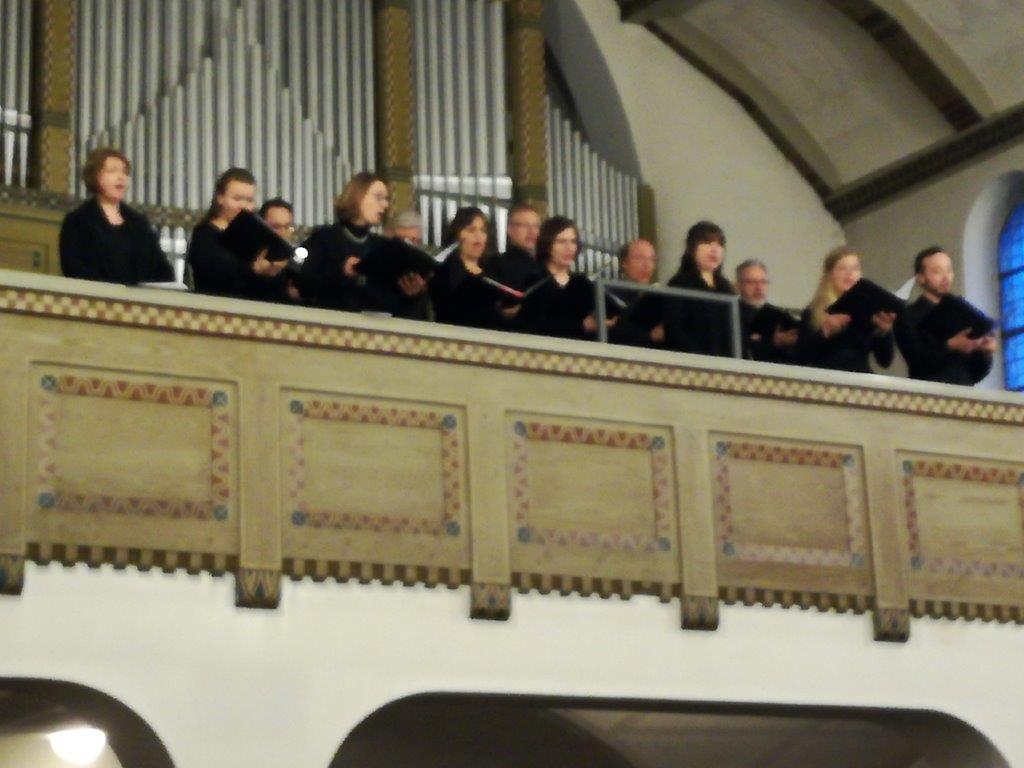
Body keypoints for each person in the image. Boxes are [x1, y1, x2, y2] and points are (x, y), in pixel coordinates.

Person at [297, 172, 429, 319]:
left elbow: (391, 302)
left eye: (386, 199)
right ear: (357, 196)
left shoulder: (383, 245)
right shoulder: (324, 238)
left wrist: (411, 293)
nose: (385, 205)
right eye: (378, 197)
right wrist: (342, 272)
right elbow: (303, 285)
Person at [59, 147, 173, 285]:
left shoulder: (139, 223)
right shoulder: (77, 221)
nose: (121, 177)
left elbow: (162, 270)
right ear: (94, 176)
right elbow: (73, 268)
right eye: (112, 171)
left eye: (125, 172)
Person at [187, 168, 292, 302]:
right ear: (220, 198)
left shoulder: (256, 236)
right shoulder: (204, 234)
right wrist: (255, 271)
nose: (243, 206)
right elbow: (216, 275)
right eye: (237, 199)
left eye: (249, 200)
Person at [895, 246, 995, 385]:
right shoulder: (908, 315)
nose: (945, 277)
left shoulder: (962, 310)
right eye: (937, 271)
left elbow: (976, 373)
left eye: (949, 270)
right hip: (928, 390)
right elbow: (917, 361)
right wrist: (950, 345)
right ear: (920, 278)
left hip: (964, 390)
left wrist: (985, 352)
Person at [797, 246, 895, 373]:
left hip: (860, 379)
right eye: (843, 268)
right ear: (830, 274)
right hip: (825, 378)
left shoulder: (869, 311)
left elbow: (885, 361)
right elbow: (801, 357)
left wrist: (884, 331)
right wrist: (825, 331)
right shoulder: (813, 312)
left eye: (855, 268)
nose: (849, 273)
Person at [663, 221, 737, 357]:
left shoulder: (726, 289)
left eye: (719, 244)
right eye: (707, 243)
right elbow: (675, 330)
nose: (714, 249)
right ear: (692, 248)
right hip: (691, 360)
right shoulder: (680, 283)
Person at [515, 216, 595, 340]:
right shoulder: (534, 281)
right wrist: (581, 326)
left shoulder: (583, 283)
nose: (569, 248)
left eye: (573, 241)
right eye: (561, 242)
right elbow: (532, 325)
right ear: (547, 244)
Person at [429, 207, 502, 329]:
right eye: (471, 230)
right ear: (457, 235)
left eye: (483, 230)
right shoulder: (444, 270)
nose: (479, 236)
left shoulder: (494, 269)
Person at [735, 259, 798, 364]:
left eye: (763, 282)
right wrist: (773, 342)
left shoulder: (780, 315)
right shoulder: (731, 314)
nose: (759, 288)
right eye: (751, 282)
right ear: (738, 285)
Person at [607, 238, 665, 348]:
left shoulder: (658, 296)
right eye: (640, 258)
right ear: (624, 263)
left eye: (651, 260)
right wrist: (650, 336)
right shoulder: (609, 295)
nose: (647, 265)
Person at [488, 203, 543, 291]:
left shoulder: (543, 264)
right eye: (525, 225)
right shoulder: (495, 264)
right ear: (509, 229)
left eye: (536, 226)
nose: (532, 231)